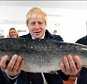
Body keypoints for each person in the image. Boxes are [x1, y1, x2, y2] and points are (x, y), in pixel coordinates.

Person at [0, 7, 81, 84]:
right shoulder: (18, 43)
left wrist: (69, 72)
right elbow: (9, 79)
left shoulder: (57, 40)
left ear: (45, 24)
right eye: (33, 23)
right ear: (27, 25)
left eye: (40, 23)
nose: (37, 26)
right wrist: (11, 75)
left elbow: (64, 76)